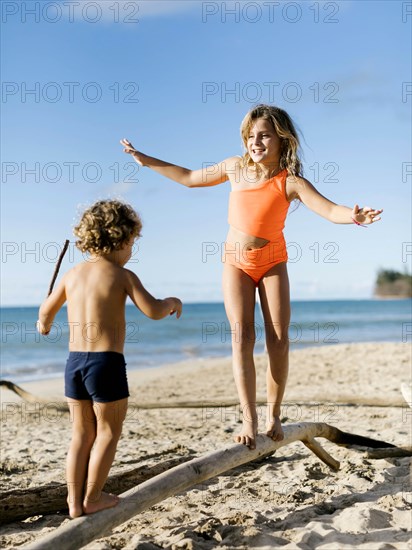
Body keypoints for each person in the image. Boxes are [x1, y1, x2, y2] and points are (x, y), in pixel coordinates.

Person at [120, 104, 382, 451]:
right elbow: (188, 178)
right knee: (241, 337)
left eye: (264, 135)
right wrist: (146, 160)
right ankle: (249, 418)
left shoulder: (290, 182)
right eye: (251, 136)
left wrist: (354, 215)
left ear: (281, 139)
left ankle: (273, 414)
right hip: (236, 262)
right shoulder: (234, 168)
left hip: (272, 262)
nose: (255, 142)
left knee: (278, 339)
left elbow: (329, 209)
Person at [37, 199, 182, 518]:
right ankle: (93, 497)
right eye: (132, 243)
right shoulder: (123, 275)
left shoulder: (72, 275)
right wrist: (172, 302)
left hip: (74, 364)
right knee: (107, 433)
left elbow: (46, 311)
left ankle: (74, 502)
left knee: (81, 434)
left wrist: (43, 325)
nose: (132, 250)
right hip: (106, 364)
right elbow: (154, 311)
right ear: (121, 239)